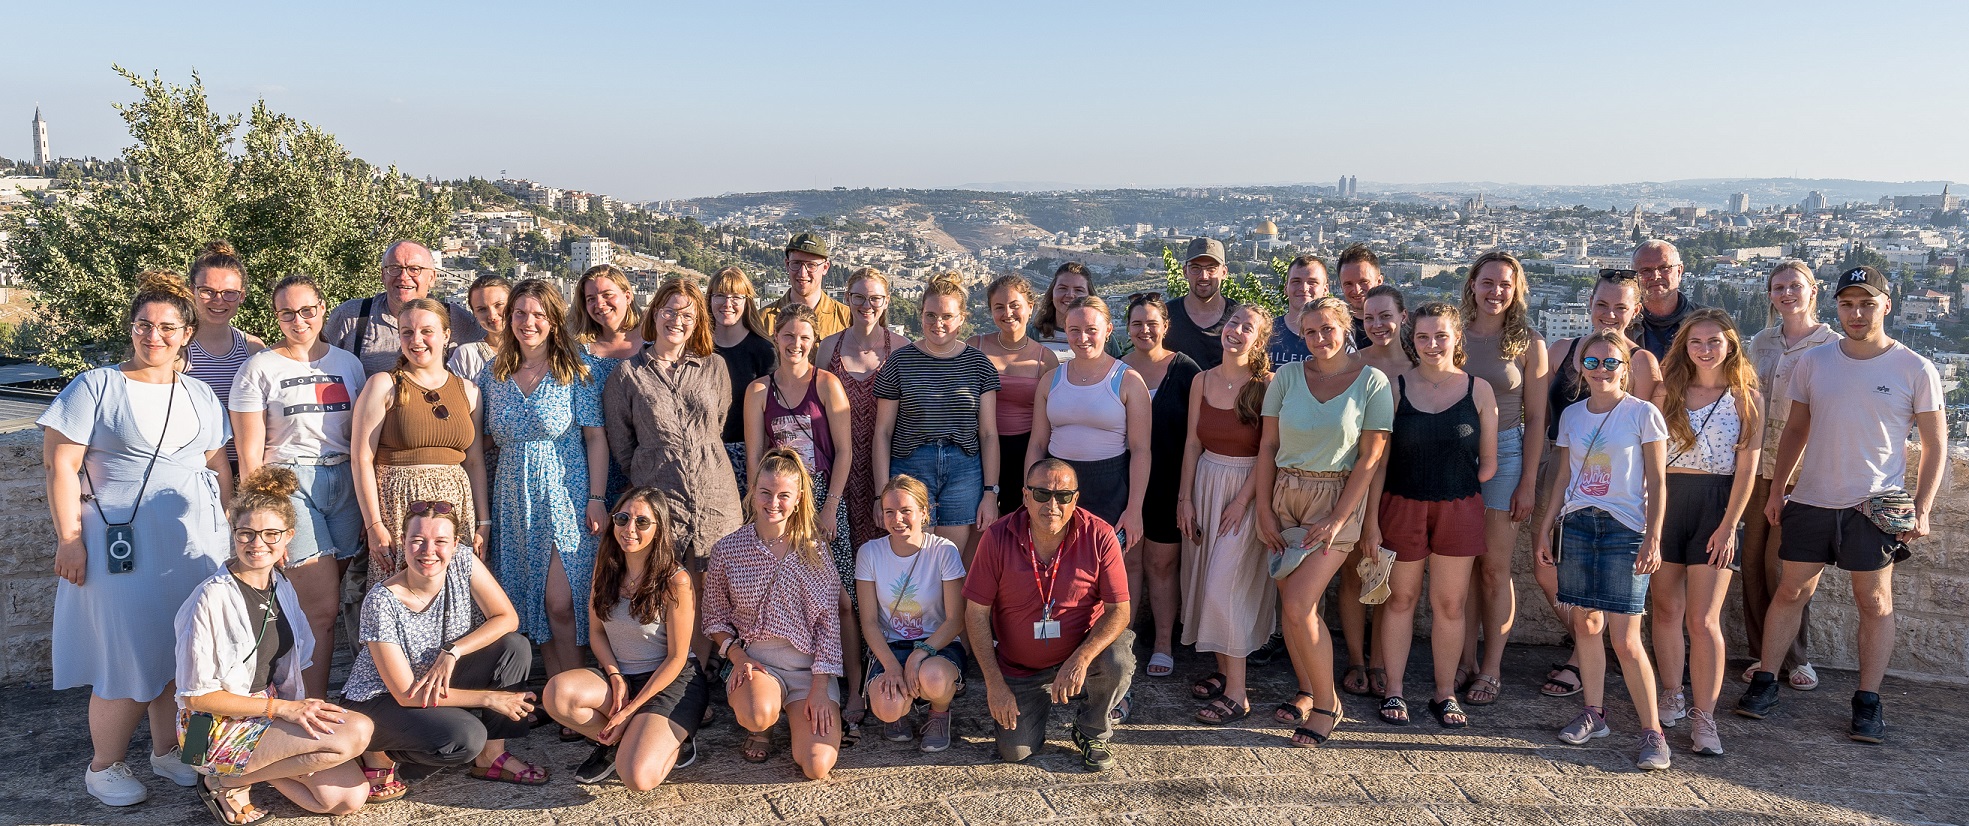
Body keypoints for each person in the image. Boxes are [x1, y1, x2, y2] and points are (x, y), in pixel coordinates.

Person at [42, 273, 233, 806]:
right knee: (126, 655)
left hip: (195, 544)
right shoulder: (96, 386)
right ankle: (103, 766)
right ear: (131, 328)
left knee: (190, 653)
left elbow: (217, 463)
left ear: (187, 333)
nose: (155, 336)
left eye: (168, 327)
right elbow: (61, 467)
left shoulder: (198, 392)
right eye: (145, 325)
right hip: (118, 547)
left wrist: (229, 533)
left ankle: (171, 751)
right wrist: (69, 540)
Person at [1737, 266, 1946, 744]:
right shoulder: (1815, 363)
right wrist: (1776, 491)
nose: (1856, 313)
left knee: (1873, 602)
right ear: (1837, 307)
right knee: (1791, 592)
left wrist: (1924, 508)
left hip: (1873, 505)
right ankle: (1767, 680)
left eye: (1867, 303)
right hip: (1811, 499)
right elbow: (1795, 429)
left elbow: (1935, 445)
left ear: (1886, 306)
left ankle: (1868, 701)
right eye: (1848, 304)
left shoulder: (1914, 368)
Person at [173, 467, 373, 822]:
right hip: (204, 730)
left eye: (270, 534)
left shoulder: (282, 587)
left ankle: (235, 779)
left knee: (348, 797)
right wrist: (285, 711)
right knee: (354, 733)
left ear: (288, 538)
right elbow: (195, 698)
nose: (257, 543)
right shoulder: (209, 598)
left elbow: (297, 666)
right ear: (233, 533)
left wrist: (299, 711)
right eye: (246, 533)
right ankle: (216, 778)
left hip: (261, 713)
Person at [1256, 295, 1392, 748]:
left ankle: (1327, 705)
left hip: (1337, 498)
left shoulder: (1372, 382)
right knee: (1293, 609)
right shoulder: (1287, 378)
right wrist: (1262, 509)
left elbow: (1371, 457)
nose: (1319, 339)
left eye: (1327, 329)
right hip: (1285, 496)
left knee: (1297, 604)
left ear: (1345, 326)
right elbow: (1267, 446)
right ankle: (1308, 688)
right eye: (1310, 332)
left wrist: (1338, 519)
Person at [1532, 329, 1672, 771]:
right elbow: (1561, 478)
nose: (1601, 370)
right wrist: (1545, 529)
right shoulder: (1572, 416)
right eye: (1592, 362)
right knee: (1586, 625)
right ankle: (1594, 712)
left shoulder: (1643, 414)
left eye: (1611, 362)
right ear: (1580, 367)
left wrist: (1653, 536)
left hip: (1625, 528)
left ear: (1625, 368)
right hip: (1578, 524)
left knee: (1627, 639)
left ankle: (1653, 731)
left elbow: (1657, 481)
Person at [229, 274, 368, 699]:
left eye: (307, 310)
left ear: (322, 309)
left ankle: (290, 690)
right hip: (289, 485)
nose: (299, 320)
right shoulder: (259, 368)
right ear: (276, 317)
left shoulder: (348, 364)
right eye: (287, 313)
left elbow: (362, 438)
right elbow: (250, 453)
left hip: (344, 484)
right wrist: (265, 516)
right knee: (322, 609)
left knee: (316, 603)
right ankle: (311, 707)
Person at [340, 500, 543, 790]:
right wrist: (489, 698)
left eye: (440, 541)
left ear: (455, 543)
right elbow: (406, 694)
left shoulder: (462, 560)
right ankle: (380, 751)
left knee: (514, 647)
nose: (428, 551)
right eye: (418, 541)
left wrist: (453, 650)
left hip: (436, 677)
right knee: (466, 737)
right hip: (382, 698)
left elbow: (507, 618)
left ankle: (492, 756)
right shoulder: (381, 601)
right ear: (403, 541)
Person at [1535, 269, 1662, 699]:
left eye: (1620, 306)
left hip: (1617, 494)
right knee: (1544, 568)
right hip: (1561, 468)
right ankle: (1587, 645)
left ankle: (1581, 659)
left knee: (1609, 592)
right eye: (1601, 304)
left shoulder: (1641, 362)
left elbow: (1646, 434)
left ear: (1636, 310)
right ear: (1589, 304)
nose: (1609, 314)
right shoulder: (1559, 350)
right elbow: (1539, 415)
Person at [1371, 302, 1496, 730]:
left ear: (1457, 337)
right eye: (1422, 337)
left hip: (1459, 505)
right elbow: (1378, 462)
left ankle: (1444, 694)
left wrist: (1453, 481)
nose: (1431, 344)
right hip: (1402, 504)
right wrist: (1372, 520)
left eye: (1441, 335)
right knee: (1400, 600)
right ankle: (1394, 690)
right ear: (1412, 339)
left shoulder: (1478, 390)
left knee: (1449, 604)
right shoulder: (1394, 387)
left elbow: (1489, 463)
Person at [965, 459, 1134, 771]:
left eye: (1063, 496)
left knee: (1117, 660)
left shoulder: (1100, 535)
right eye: (1042, 495)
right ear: (1026, 496)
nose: (1052, 505)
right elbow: (976, 614)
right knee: (1014, 752)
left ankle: (1092, 729)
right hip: (1021, 667)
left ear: (1076, 499)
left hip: (1078, 654)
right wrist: (995, 684)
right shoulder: (997, 537)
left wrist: (1081, 658)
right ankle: (1040, 699)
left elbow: (1119, 612)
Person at [744, 303, 864, 740]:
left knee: (842, 600)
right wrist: (759, 510)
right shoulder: (760, 390)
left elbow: (846, 451)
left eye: (804, 338)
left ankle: (852, 688)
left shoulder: (827, 384)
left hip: (822, 504)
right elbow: (756, 458)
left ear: (815, 343)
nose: (796, 345)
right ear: (777, 339)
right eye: (789, 337)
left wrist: (830, 506)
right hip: (778, 505)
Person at [479, 278, 609, 680]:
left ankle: (574, 690)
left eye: (537, 314)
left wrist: (597, 497)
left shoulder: (575, 369)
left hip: (565, 493)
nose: (527, 321)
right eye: (519, 313)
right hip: (512, 496)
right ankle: (555, 693)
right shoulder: (492, 374)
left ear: (553, 320)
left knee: (561, 600)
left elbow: (596, 437)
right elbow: (479, 444)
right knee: (532, 599)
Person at [543, 487, 710, 789]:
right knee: (557, 693)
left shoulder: (676, 580)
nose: (629, 529)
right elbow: (596, 632)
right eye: (622, 518)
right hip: (623, 676)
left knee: (637, 777)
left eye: (642, 522)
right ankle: (621, 741)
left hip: (670, 682)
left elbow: (677, 658)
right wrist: (616, 676)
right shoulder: (606, 568)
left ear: (659, 529)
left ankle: (674, 738)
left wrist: (629, 711)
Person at [1651, 309, 1762, 757]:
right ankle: (1671, 692)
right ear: (1684, 345)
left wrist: (1730, 525)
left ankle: (1705, 716)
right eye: (1696, 341)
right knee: (1665, 609)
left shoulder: (1745, 397)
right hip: (1668, 500)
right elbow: (1650, 459)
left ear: (1731, 344)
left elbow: (1748, 467)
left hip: (1717, 506)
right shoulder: (1666, 392)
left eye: (1715, 340)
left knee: (1703, 620)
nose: (1705, 349)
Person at [702, 448, 845, 779]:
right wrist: (737, 657)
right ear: (753, 493)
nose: (773, 502)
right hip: (758, 665)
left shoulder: (814, 548)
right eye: (765, 493)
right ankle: (762, 728)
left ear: (797, 500)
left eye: (784, 495)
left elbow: (828, 624)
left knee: (816, 766)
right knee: (756, 713)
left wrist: (821, 688)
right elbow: (714, 619)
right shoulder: (728, 549)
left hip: (810, 671)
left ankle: (798, 718)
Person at [602, 278, 746, 588]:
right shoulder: (627, 375)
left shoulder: (714, 367)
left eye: (687, 315)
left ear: (697, 323)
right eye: (669, 311)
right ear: (654, 314)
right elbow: (623, 448)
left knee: (717, 592)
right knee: (668, 590)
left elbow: (715, 424)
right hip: (660, 499)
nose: (676, 321)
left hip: (716, 495)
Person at [1457, 251, 1550, 708]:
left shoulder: (1529, 342)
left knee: (1494, 567)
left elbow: (1537, 418)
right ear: (1472, 283)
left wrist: (1528, 482)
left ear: (1517, 291)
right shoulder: (1452, 335)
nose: (1496, 292)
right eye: (1488, 282)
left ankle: (1491, 667)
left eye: (1505, 285)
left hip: (1509, 453)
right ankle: (1463, 658)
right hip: (1454, 453)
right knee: (1460, 564)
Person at [1740, 260, 1836, 691]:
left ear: (1813, 290)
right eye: (1778, 287)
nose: (1786, 294)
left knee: (1786, 568)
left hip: (1803, 472)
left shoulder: (1832, 345)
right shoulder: (1760, 342)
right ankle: (1764, 655)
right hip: (1756, 466)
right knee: (1752, 563)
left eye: (1795, 286)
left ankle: (1795, 657)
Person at [1177, 306, 1275, 725]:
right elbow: (1192, 445)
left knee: (1224, 585)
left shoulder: (1268, 386)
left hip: (1247, 491)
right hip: (1204, 482)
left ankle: (1238, 693)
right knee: (1203, 580)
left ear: (1259, 339)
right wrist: (1185, 499)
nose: (1235, 331)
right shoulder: (1202, 379)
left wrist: (1242, 501)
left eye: (1246, 328)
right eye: (1233, 323)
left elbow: (1270, 451)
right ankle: (1223, 669)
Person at [351, 299, 489, 583]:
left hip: (455, 509)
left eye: (427, 331)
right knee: (402, 590)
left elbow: (474, 462)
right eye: (407, 332)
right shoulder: (383, 384)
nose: (416, 340)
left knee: (453, 590)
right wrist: (374, 523)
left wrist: (483, 521)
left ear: (446, 335)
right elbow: (361, 458)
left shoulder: (470, 391)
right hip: (399, 506)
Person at [873, 273, 1001, 559]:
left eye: (946, 315)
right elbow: (882, 433)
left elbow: (989, 434)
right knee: (915, 559)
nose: (937, 323)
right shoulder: (899, 362)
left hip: (964, 469)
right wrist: (881, 495)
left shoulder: (979, 364)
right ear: (920, 315)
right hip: (911, 466)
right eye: (930, 315)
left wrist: (991, 492)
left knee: (952, 562)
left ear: (962, 318)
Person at [1118, 292, 1201, 679]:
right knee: (1128, 562)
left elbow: (1195, 436)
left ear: (1166, 326)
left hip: (1169, 483)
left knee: (1162, 565)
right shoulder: (1116, 369)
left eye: (1152, 323)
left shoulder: (1185, 371)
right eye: (1137, 323)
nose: (1145, 330)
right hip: (1127, 483)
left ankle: (1165, 641)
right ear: (1127, 328)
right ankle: (1124, 642)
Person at [856, 475, 968, 752]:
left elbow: (955, 619)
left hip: (937, 646)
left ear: (924, 512)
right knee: (887, 707)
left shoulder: (943, 551)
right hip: (889, 647)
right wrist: (893, 666)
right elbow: (869, 623)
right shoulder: (869, 552)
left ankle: (939, 712)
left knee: (932, 678)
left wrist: (918, 655)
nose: (898, 519)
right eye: (889, 512)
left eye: (906, 511)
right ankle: (901, 710)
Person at [818, 267, 904, 548]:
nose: (867, 305)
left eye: (875, 298)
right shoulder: (829, 348)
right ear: (847, 298)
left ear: (887, 301)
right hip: (837, 467)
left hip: (886, 466)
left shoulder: (902, 349)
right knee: (838, 548)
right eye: (859, 298)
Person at [323, 240, 481, 379]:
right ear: (383, 276)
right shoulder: (351, 316)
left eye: (414, 269)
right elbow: (316, 361)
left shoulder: (454, 318)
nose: (404, 276)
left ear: (432, 278)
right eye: (395, 268)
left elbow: (495, 345)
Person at [971, 274, 1058, 518]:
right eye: (999, 307)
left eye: (1014, 305)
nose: (1007, 313)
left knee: (1017, 521)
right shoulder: (974, 347)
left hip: (1024, 450)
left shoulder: (1045, 359)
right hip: (976, 449)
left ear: (1030, 307)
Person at [183, 241, 266, 468]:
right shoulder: (179, 351)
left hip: (246, 467)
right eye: (208, 291)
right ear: (192, 291)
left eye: (229, 293)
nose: (218, 300)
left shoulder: (252, 349)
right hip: (195, 469)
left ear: (241, 296)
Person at [709, 267, 778, 496]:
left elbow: (771, 413)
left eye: (736, 297)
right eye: (720, 295)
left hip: (749, 457)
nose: (727, 303)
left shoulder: (763, 350)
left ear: (747, 302)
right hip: (703, 457)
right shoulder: (696, 348)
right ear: (708, 299)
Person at [760, 232, 851, 340]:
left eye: (811, 265)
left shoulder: (847, 319)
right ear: (787, 265)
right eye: (796, 263)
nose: (802, 273)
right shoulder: (762, 320)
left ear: (825, 268)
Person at [1630, 240, 1710, 361]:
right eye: (1645, 270)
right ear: (1634, 277)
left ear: (1679, 271)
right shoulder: (1625, 325)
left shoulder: (1709, 322)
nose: (1655, 276)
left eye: (1664, 268)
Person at [1166, 237, 1239, 369]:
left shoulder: (1240, 318)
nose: (1204, 276)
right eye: (1195, 268)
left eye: (1211, 269)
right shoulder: (1166, 316)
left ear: (1224, 272)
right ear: (1185, 272)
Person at [446, 274, 510, 382]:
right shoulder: (467, 356)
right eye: (482, 309)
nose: (492, 315)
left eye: (499, 305)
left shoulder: (535, 350)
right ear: (474, 314)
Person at [1268, 255, 1325, 366]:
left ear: (1325, 289)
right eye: (1296, 281)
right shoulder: (1266, 331)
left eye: (1312, 282)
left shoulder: (1337, 336)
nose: (1304, 288)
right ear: (1285, 288)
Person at [1032, 262, 1093, 359]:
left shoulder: (1101, 337)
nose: (1070, 295)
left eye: (1078, 290)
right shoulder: (1033, 334)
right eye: (1063, 288)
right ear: (1052, 293)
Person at [1337, 244, 1385, 351]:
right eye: (1348, 284)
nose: (1356, 290)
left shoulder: (1404, 328)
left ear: (1379, 281)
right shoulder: (1337, 331)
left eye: (1363, 282)